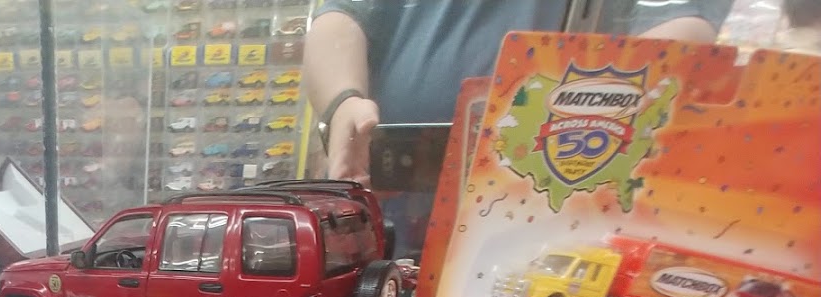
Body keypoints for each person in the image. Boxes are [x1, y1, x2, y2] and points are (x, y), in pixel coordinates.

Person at [304, 1, 732, 185]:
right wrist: (342, 102)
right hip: (392, 184)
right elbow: (341, 17)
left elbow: (679, 36)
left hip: (551, 188)